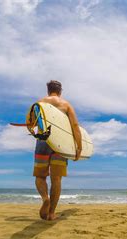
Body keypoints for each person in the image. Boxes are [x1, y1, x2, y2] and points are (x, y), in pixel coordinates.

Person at [34, 80, 82, 221]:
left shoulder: (40, 103)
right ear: (60, 91)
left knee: (40, 176)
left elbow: (32, 123)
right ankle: (51, 213)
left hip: (43, 141)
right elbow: (74, 125)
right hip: (60, 144)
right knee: (56, 179)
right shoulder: (66, 105)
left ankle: (45, 198)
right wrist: (78, 146)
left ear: (48, 90)